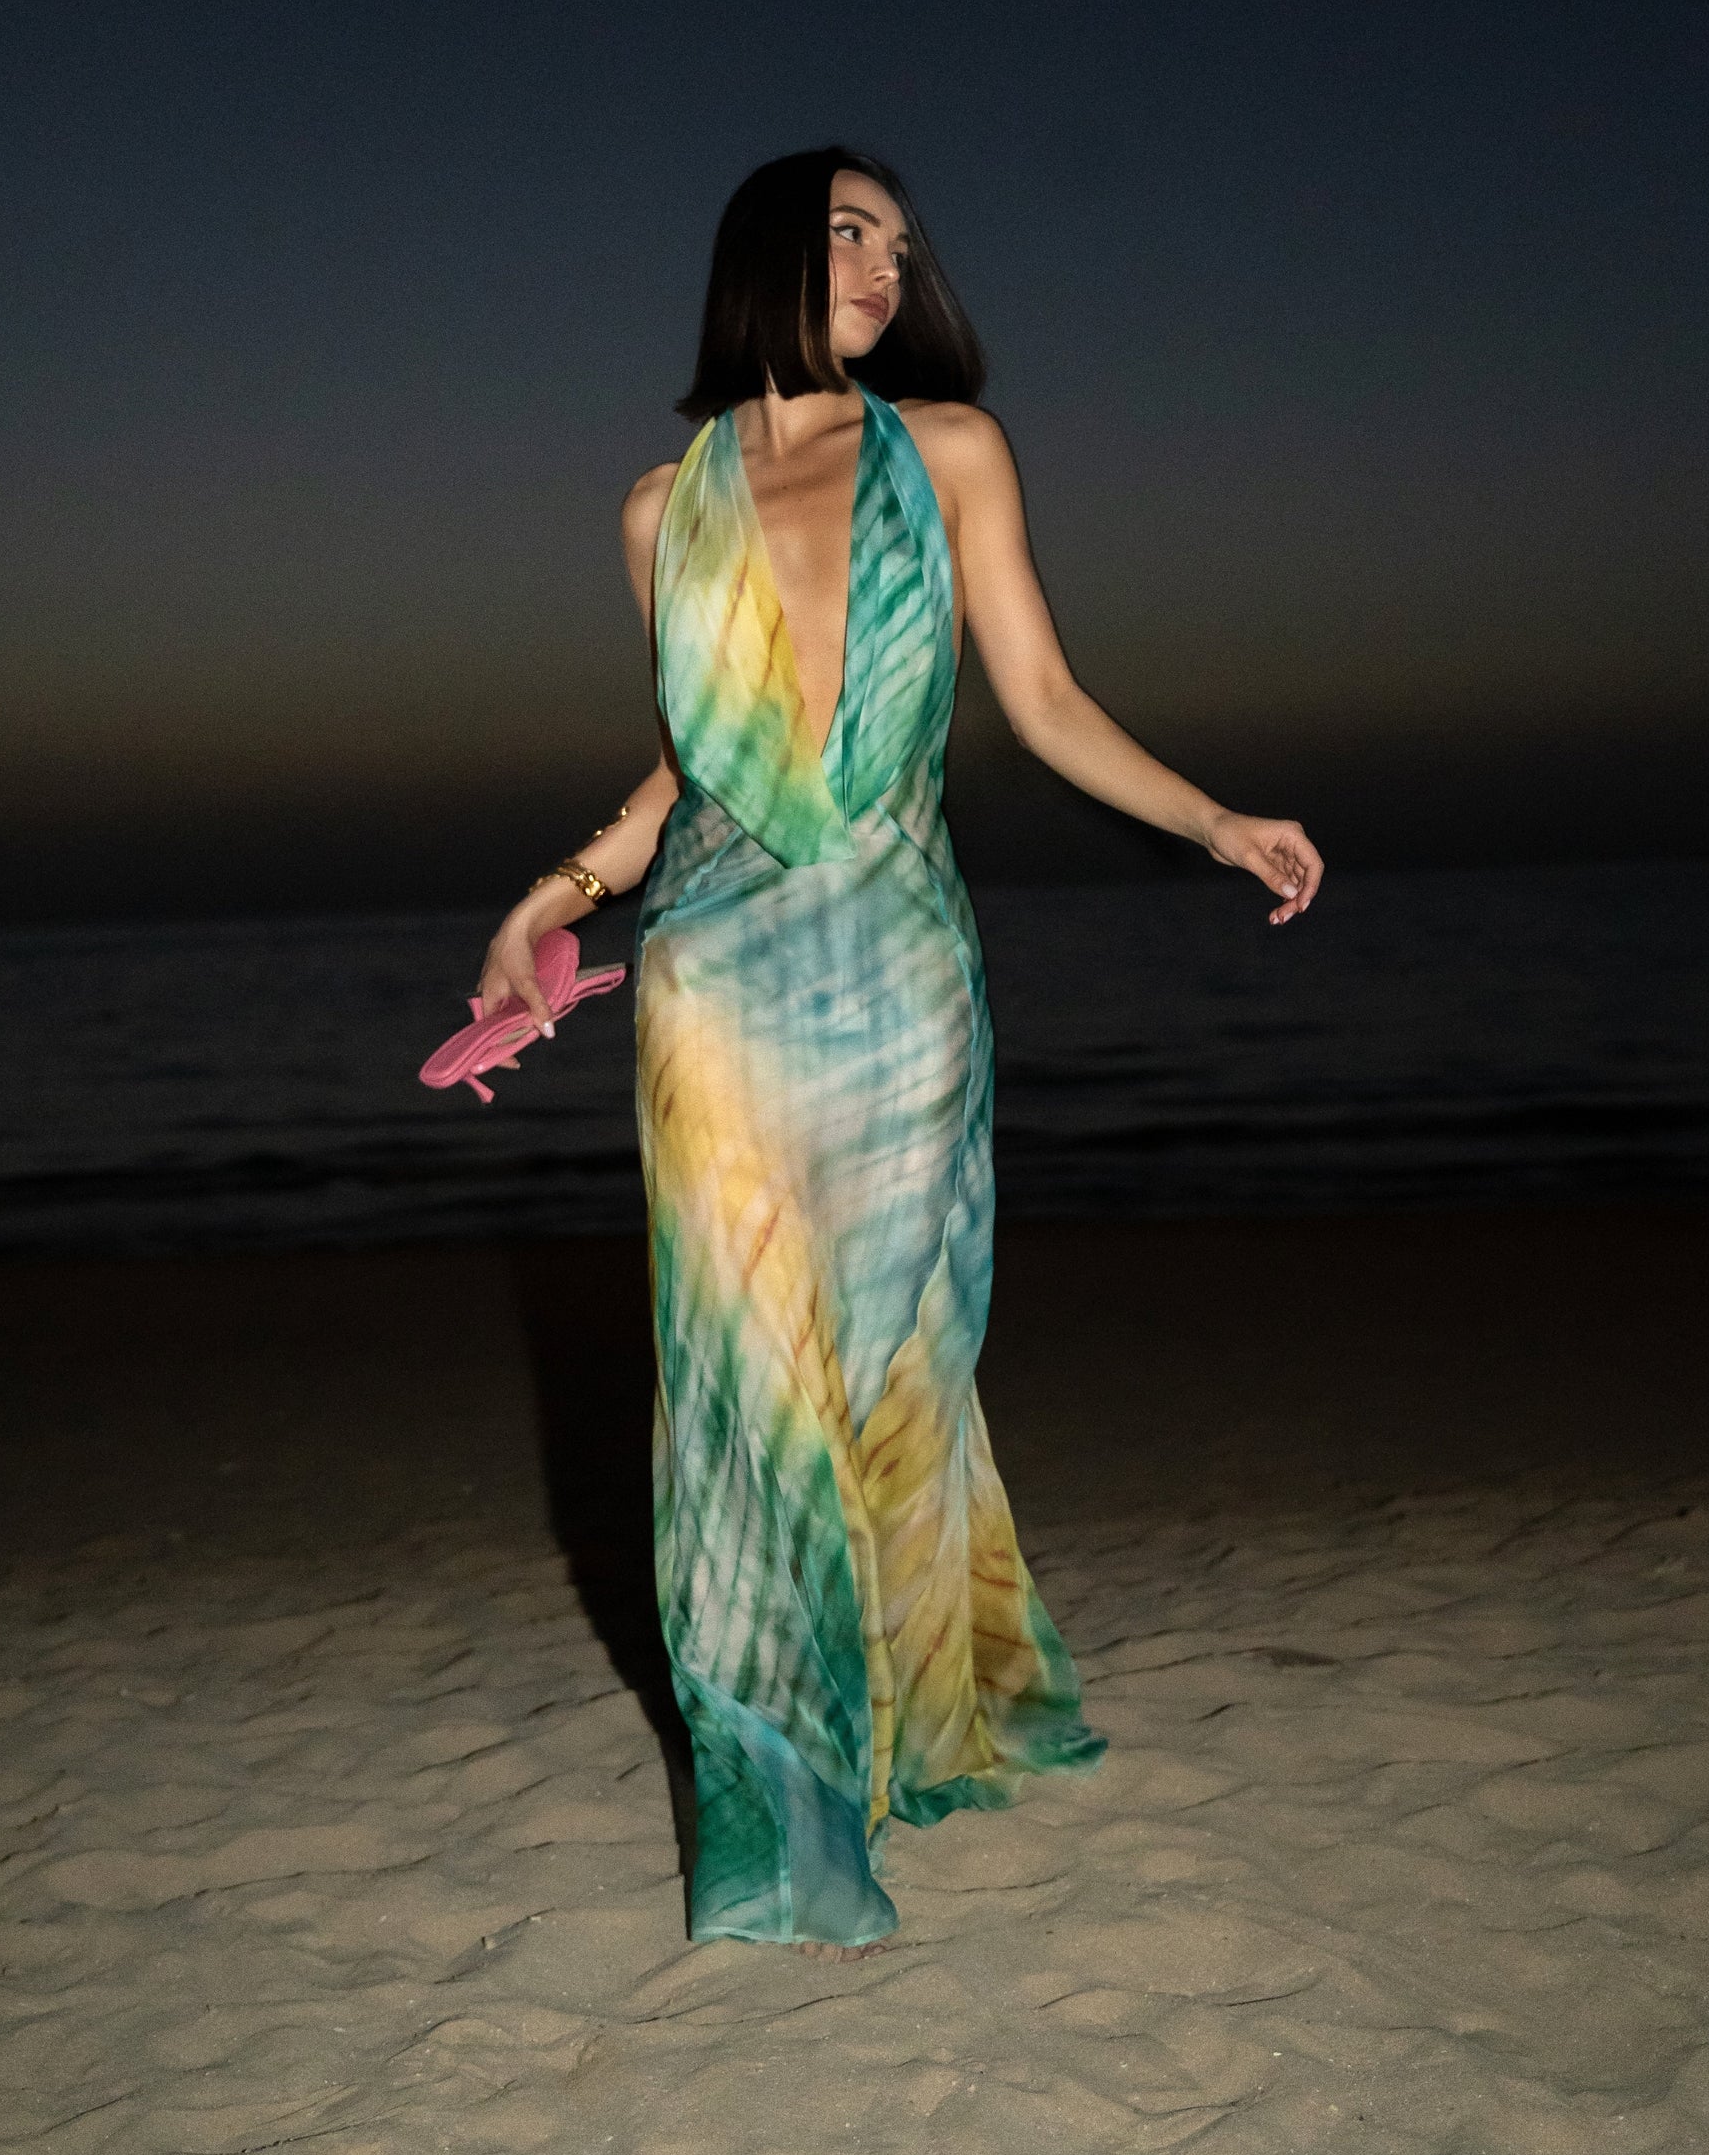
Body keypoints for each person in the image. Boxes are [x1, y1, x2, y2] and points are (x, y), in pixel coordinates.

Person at [477, 146, 1323, 1953]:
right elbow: (690, 765)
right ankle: (781, 1819)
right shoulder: (657, 508)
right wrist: (547, 903)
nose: (883, 266)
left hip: (897, 971)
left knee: (887, 1367)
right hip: (711, 980)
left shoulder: (949, 453)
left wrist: (1211, 820)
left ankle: (903, 1715)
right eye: (848, 232)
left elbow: (1042, 699)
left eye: (898, 244)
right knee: (735, 1391)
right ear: (763, 254)